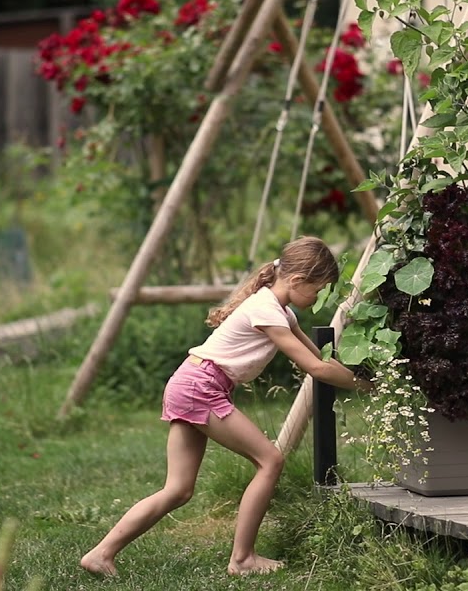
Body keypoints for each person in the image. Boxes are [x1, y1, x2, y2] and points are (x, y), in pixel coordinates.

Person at [80, 236, 372, 577]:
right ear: (295, 281)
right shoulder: (266, 311)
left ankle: (100, 555)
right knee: (271, 459)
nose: (320, 298)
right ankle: (243, 559)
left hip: (191, 382)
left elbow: (321, 358)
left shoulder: (280, 311)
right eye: (319, 289)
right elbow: (317, 368)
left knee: (178, 489)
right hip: (200, 387)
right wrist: (368, 385)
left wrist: (357, 366)